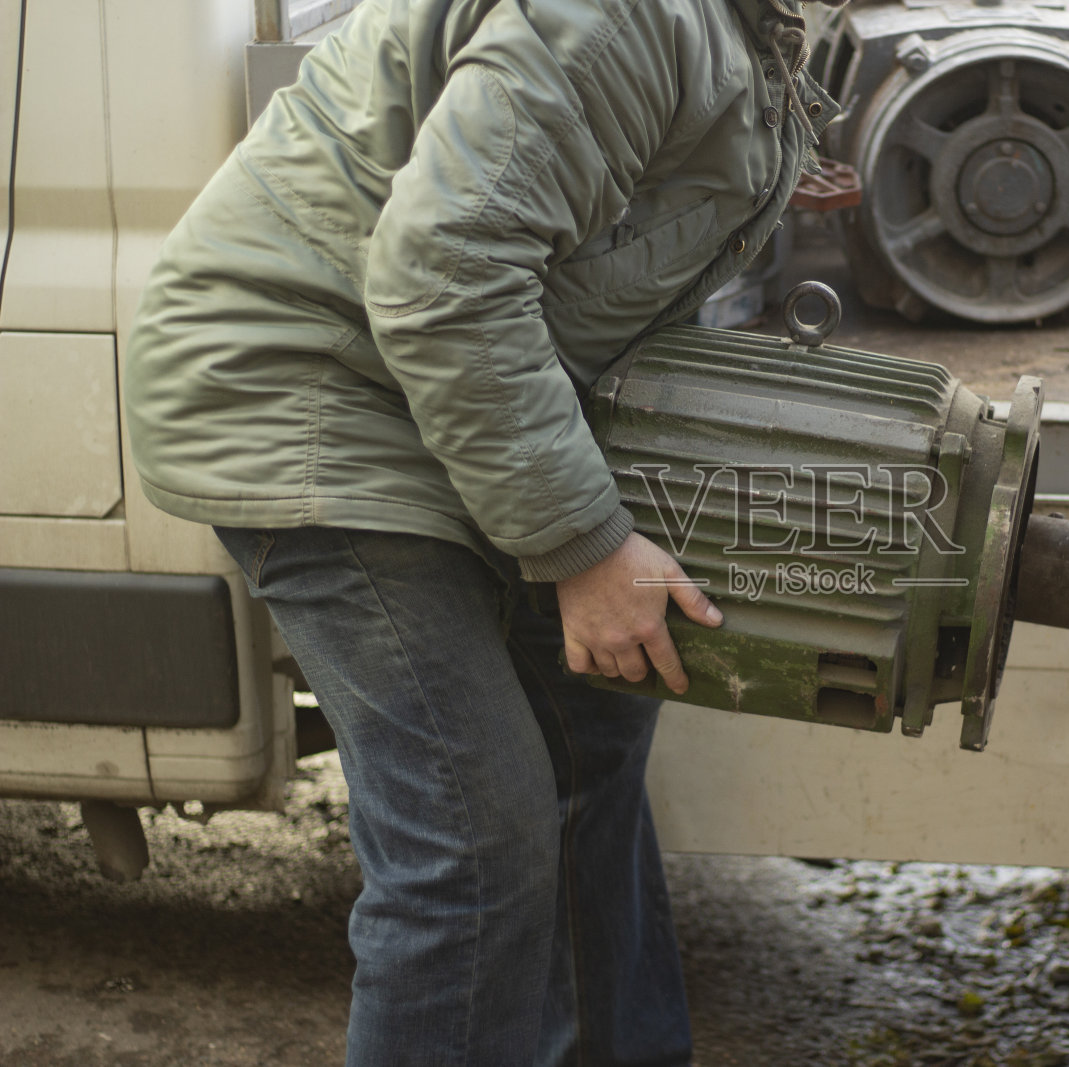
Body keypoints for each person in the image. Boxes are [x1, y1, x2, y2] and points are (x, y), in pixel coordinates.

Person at [123, 0, 837, 1063]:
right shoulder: (620, 18)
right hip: (311, 383)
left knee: (591, 748)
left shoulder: (747, 25)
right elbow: (443, 273)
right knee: (475, 837)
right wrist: (585, 544)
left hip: (446, 389)